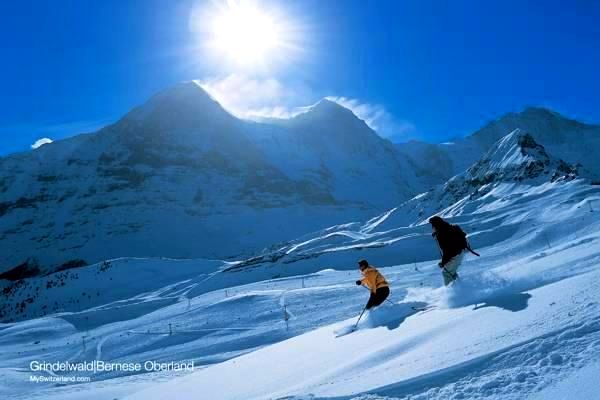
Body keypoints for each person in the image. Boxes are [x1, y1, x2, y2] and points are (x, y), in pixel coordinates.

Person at [429, 216, 479, 286]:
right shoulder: (449, 227)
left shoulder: (441, 234)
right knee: (452, 271)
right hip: (460, 252)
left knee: (446, 273)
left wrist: (443, 262)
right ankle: (460, 287)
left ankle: (451, 292)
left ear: (435, 225)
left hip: (454, 255)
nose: (432, 227)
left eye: (432, 225)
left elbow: (447, 251)